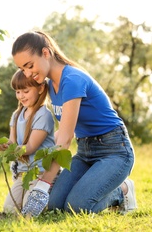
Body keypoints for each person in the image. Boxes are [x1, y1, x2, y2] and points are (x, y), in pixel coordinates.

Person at [12, 31, 136, 216]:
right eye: (23, 69)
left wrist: (43, 184)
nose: (28, 73)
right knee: (55, 204)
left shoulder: (71, 80)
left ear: (46, 53)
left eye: (30, 65)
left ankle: (123, 191)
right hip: (86, 151)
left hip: (114, 150)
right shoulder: (50, 86)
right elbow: (60, 133)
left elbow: (66, 138)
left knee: (77, 207)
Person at [0, 69, 55, 214]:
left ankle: (52, 198)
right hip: (22, 174)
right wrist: (4, 146)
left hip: (40, 173)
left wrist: (12, 150)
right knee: (9, 210)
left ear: (40, 88)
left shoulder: (43, 115)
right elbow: (12, 142)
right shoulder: (17, 115)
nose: (21, 96)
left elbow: (30, 147)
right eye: (18, 92)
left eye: (25, 91)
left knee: (30, 211)